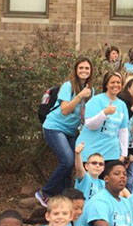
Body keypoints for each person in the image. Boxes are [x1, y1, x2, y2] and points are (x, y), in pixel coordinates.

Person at [37, 57, 95, 207]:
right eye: (81, 68)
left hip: (71, 131)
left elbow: (85, 113)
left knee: (73, 163)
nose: (84, 71)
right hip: (54, 127)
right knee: (67, 160)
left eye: (87, 68)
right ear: (76, 70)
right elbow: (64, 110)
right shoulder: (68, 86)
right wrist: (79, 96)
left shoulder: (91, 91)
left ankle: (67, 196)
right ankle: (45, 192)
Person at [75, 72, 128, 166]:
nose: (116, 85)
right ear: (106, 84)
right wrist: (104, 113)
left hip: (112, 153)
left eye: (118, 82)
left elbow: (123, 131)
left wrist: (124, 153)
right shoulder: (96, 100)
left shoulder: (122, 105)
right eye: (112, 82)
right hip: (91, 152)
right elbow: (90, 125)